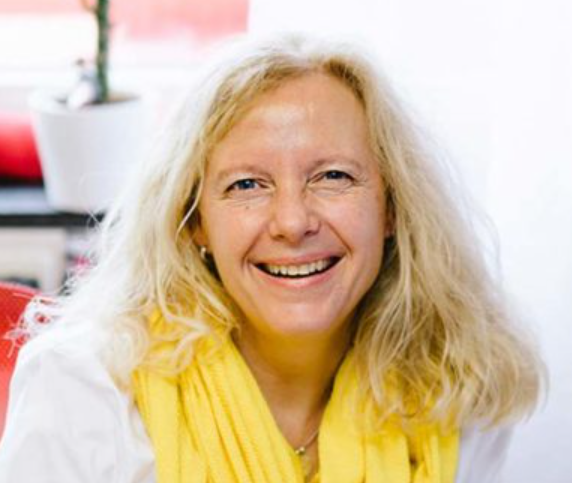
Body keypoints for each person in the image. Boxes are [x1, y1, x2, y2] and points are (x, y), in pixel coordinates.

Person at [0, 34, 543, 483]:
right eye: (246, 185)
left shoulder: (455, 391)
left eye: (333, 176)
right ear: (193, 222)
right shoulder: (81, 390)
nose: (292, 222)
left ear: (393, 208)